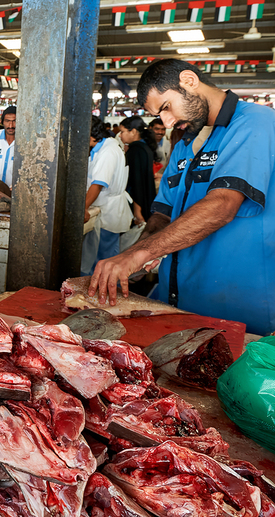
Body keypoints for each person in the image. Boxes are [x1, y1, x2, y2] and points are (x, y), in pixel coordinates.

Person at [90, 58, 275, 335]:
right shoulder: (184, 144)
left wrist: (142, 253)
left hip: (239, 308)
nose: (167, 121)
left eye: (166, 107)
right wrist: (132, 258)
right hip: (178, 303)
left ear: (189, 80)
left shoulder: (255, 123)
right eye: (158, 115)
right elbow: (162, 214)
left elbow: (223, 204)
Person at [82, 115, 131, 276]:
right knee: (99, 257)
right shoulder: (100, 149)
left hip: (109, 212)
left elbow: (98, 184)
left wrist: (84, 208)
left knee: (105, 259)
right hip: (104, 208)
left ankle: (104, 295)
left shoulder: (108, 151)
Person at [118, 115, 157, 225]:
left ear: (133, 131)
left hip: (137, 204)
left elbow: (136, 183)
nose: (120, 136)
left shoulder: (135, 151)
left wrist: (137, 212)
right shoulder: (144, 148)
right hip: (147, 199)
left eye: (122, 131)